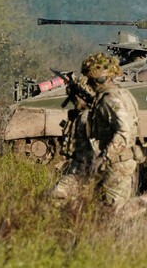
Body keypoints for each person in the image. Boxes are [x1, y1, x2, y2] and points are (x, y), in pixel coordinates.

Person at [82, 52, 147, 219]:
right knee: (104, 209)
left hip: (117, 161)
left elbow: (124, 133)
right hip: (121, 158)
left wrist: (104, 158)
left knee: (113, 213)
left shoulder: (111, 99)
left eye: (91, 77)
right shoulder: (122, 93)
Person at [50, 75, 97, 204]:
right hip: (79, 166)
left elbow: (97, 151)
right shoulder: (83, 115)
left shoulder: (87, 117)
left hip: (86, 170)